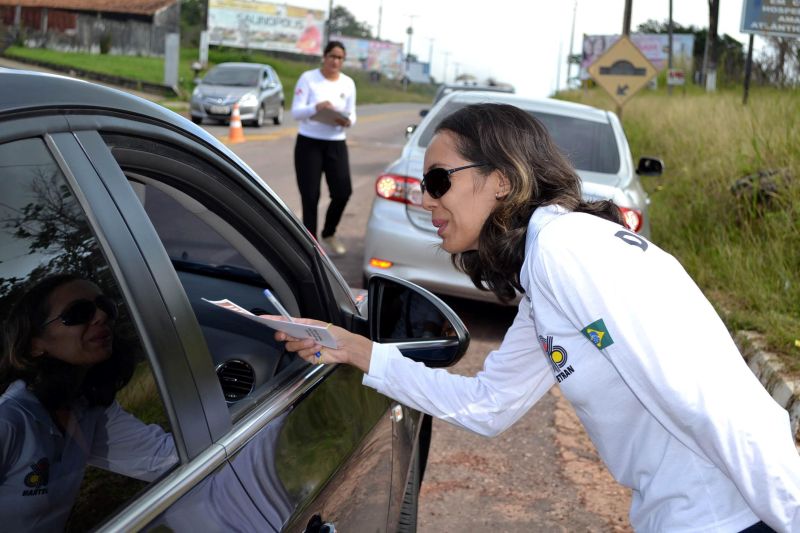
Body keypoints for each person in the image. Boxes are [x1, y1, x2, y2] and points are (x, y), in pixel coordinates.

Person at [273, 103, 800, 532]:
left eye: (437, 180)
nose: (424, 197)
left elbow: (703, 398)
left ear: (501, 180)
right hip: (689, 512)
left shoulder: (566, 251)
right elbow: (488, 405)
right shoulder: (546, 267)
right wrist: (349, 347)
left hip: (728, 515)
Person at [0, 274, 177, 531]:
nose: (100, 316)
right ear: (34, 345)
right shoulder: (9, 422)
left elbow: (162, 458)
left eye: (105, 306)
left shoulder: (88, 409)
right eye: (78, 313)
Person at [291, 40, 356, 256]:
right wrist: (315, 107)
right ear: (324, 57)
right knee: (310, 196)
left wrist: (347, 121)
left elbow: (352, 114)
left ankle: (329, 232)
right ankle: (311, 247)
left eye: (340, 58)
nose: (335, 61)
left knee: (343, 192)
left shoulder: (348, 83)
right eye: (332, 56)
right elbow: (296, 112)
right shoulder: (308, 79)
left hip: (336, 142)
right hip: (309, 142)